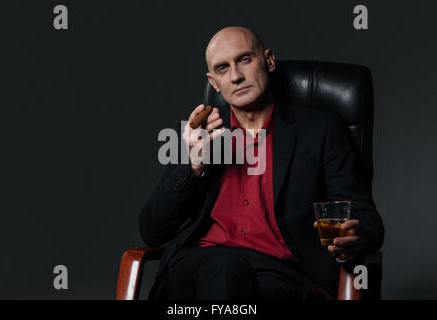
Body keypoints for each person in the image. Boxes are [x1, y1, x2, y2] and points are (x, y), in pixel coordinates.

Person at [139, 26, 384, 300]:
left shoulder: (320, 130)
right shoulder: (201, 135)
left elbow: (367, 219)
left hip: (278, 276)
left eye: (244, 59)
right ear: (213, 83)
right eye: (222, 68)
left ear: (268, 60)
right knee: (219, 268)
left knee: (226, 275)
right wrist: (193, 164)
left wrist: (354, 236)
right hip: (198, 267)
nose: (236, 76)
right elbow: (152, 231)